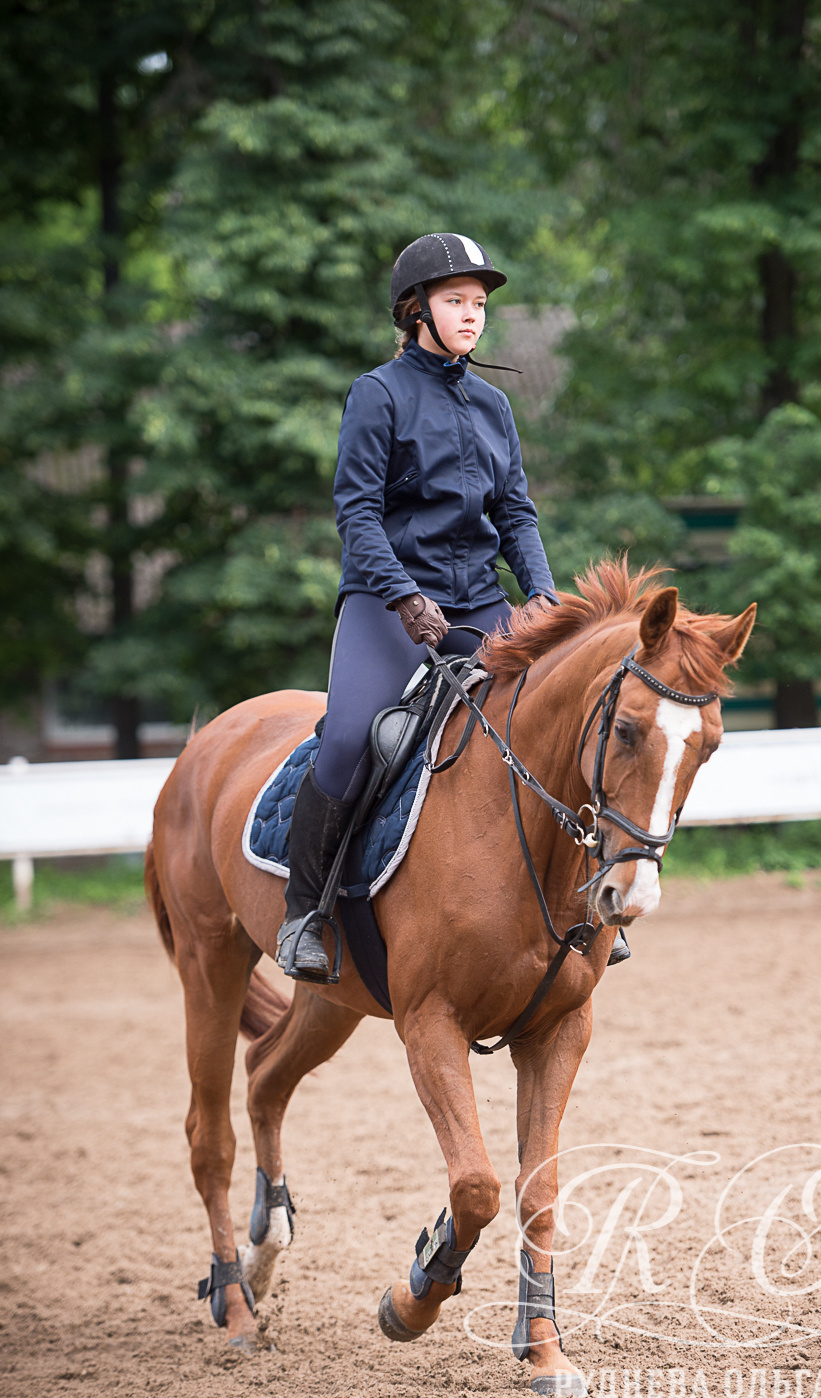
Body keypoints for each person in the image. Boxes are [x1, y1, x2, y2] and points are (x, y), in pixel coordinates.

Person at [275, 232, 561, 982]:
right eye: (457, 302)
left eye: (479, 305)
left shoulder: (496, 406)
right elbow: (357, 513)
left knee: (556, 720)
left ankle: (577, 907)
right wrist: (403, 596)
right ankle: (306, 913)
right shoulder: (378, 393)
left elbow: (517, 514)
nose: (473, 316)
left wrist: (544, 595)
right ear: (416, 311)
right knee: (347, 741)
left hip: (480, 602)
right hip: (387, 603)